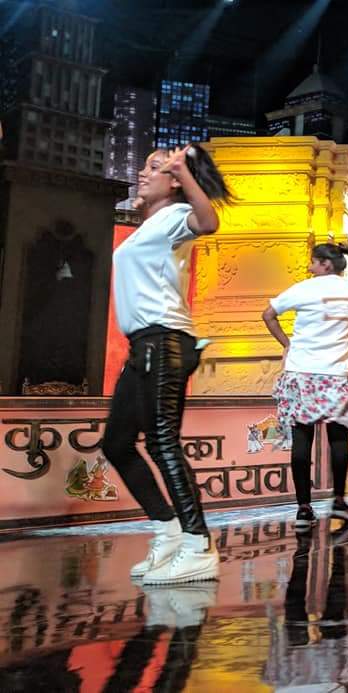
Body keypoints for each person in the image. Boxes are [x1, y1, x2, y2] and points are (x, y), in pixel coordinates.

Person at [101, 145, 233, 584]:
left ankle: (197, 545)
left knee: (161, 442)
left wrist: (183, 171)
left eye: (154, 168)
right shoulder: (151, 225)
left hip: (165, 339)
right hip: (143, 344)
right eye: (144, 166)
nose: (143, 173)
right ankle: (168, 529)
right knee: (117, 444)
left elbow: (209, 222)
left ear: (175, 181)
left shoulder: (176, 215)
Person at [262, 243, 348, 530]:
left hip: (302, 373)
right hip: (335, 374)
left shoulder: (303, 288)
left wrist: (287, 344)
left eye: (313, 262)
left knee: (302, 440)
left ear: (325, 264)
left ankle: (303, 509)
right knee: (338, 440)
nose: (309, 267)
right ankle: (339, 503)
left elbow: (268, 314)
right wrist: (347, 349)